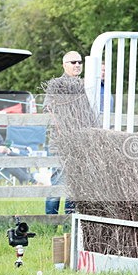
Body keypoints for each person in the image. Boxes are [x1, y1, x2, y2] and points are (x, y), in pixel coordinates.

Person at [45, 51, 82, 215]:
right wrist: (63, 131)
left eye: (79, 62)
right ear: (64, 65)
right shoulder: (56, 84)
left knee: (74, 184)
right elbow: (48, 108)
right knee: (58, 181)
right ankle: (50, 221)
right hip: (60, 141)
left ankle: (69, 222)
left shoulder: (82, 85)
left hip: (78, 141)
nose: (77, 65)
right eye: (73, 62)